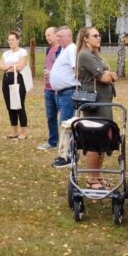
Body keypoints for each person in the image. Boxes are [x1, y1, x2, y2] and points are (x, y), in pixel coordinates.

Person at [75, 27, 119, 188]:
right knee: (94, 139)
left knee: (102, 139)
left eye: (99, 35)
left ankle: (97, 176)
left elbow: (111, 75)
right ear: (85, 39)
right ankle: (91, 178)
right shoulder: (85, 55)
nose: (98, 37)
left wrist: (110, 74)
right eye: (95, 35)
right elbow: (105, 77)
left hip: (103, 103)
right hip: (95, 104)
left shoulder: (95, 54)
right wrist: (110, 74)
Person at [49, 26, 78, 168]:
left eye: (60, 36)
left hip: (68, 92)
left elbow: (76, 69)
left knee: (67, 124)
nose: (58, 38)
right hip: (61, 92)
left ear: (69, 36)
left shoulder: (72, 49)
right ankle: (64, 153)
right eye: (58, 36)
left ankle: (67, 156)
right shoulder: (64, 50)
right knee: (64, 124)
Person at [0, 31, 29, 140]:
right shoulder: (6, 53)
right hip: (6, 80)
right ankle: (14, 131)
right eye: (9, 39)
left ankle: (24, 132)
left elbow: (20, 66)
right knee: (10, 106)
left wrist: (7, 66)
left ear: (17, 40)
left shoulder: (22, 52)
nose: (11, 41)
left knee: (19, 105)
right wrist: (11, 66)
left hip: (18, 80)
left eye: (13, 39)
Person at [37, 26, 60, 151]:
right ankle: (53, 141)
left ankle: (64, 142)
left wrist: (52, 72)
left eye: (49, 35)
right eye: (46, 35)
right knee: (50, 116)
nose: (47, 38)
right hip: (48, 88)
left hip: (58, 88)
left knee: (63, 117)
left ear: (57, 35)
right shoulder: (49, 49)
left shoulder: (62, 49)